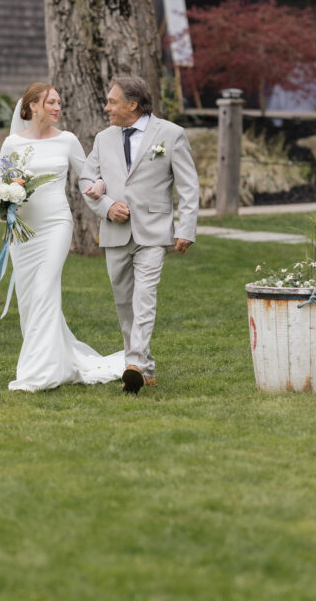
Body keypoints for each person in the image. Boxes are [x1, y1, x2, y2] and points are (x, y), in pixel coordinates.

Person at [0, 81, 125, 392]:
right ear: (32, 107)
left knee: (44, 290)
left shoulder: (67, 140)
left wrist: (100, 188)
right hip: (22, 231)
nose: (57, 107)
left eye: (59, 102)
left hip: (56, 225)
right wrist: (1, 202)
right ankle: (55, 360)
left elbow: (89, 174)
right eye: (51, 102)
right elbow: (2, 185)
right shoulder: (11, 143)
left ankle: (37, 374)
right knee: (29, 299)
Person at [80, 76, 199, 395]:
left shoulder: (171, 134)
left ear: (132, 104)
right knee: (124, 302)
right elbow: (86, 179)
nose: (106, 108)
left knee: (145, 297)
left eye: (112, 102)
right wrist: (106, 206)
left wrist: (185, 228)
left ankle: (132, 363)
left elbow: (188, 186)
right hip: (115, 231)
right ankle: (144, 367)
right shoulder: (103, 138)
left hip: (154, 231)